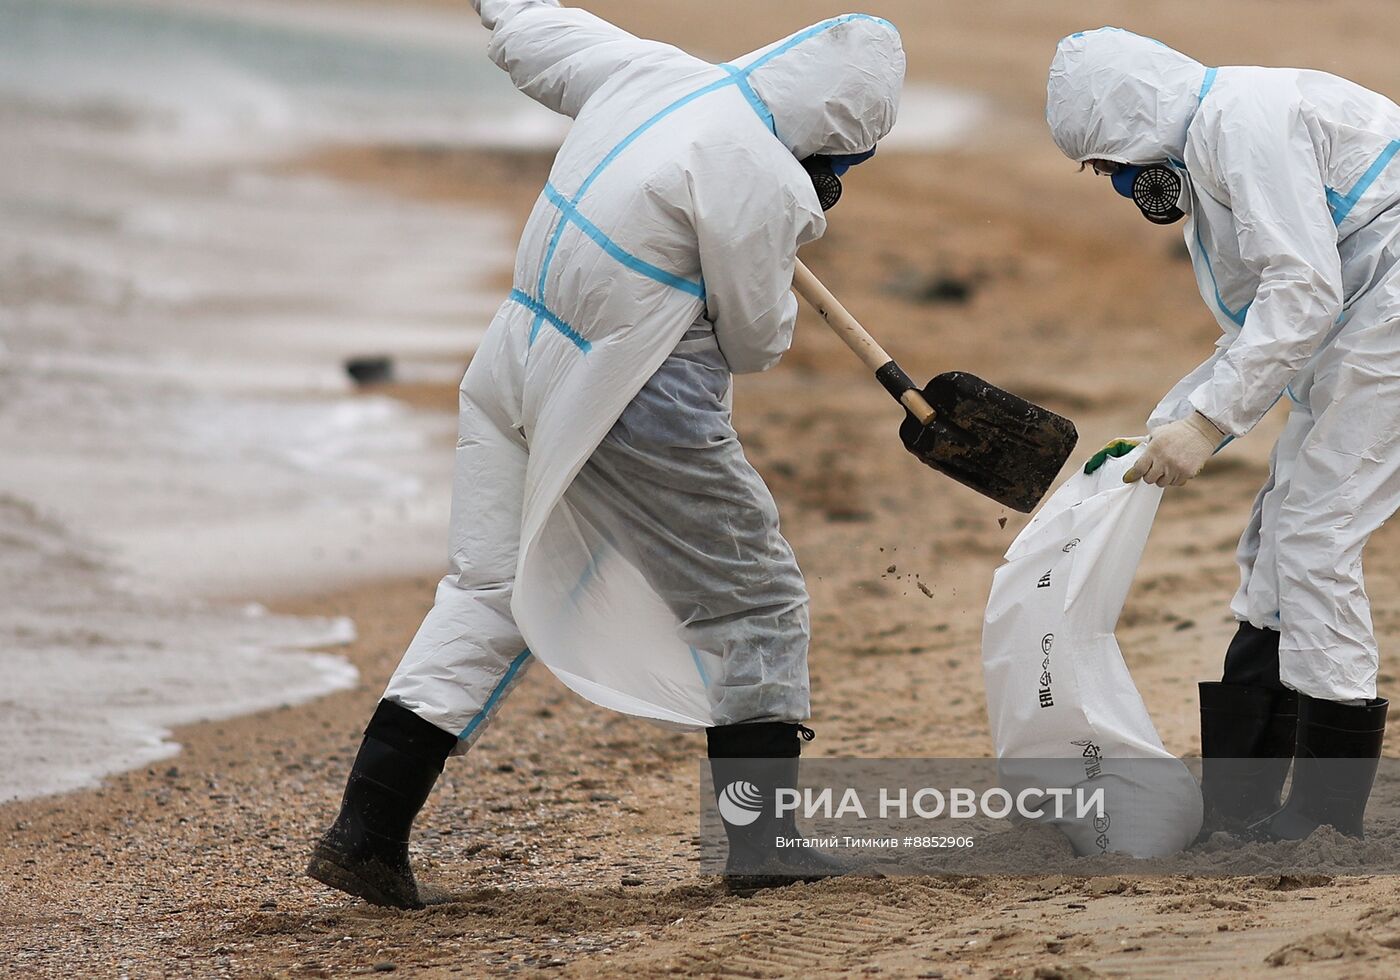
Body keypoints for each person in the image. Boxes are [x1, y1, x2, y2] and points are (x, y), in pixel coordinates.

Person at [306, 0, 905, 907]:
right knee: (755, 600)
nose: (835, 175)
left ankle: (367, 833)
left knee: (484, 589)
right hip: (636, 394)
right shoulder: (759, 176)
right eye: (842, 162)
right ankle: (763, 847)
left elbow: (537, 38)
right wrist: (791, 218)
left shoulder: (651, 72)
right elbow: (755, 340)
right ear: (833, 136)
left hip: (511, 363)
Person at [1048, 27, 1394, 840]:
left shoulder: (1242, 120)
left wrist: (1207, 423)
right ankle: (1239, 804)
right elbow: (1256, 325)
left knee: (1316, 535)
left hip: (1386, 320)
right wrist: (1168, 427)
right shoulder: (1214, 139)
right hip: (1366, 321)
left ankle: (1324, 814)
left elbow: (1301, 292)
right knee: (1277, 545)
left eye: (1110, 165)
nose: (1121, 184)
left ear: (1133, 119)